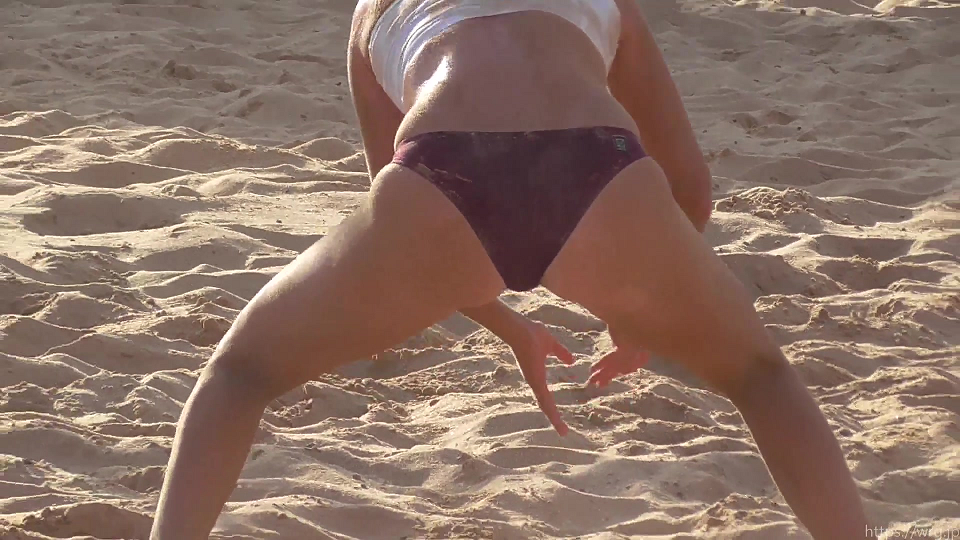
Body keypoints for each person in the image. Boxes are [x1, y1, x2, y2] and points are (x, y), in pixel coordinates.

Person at [149, 0, 870, 538]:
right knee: (761, 379)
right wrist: (635, 309)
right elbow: (691, 188)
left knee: (239, 375)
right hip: (595, 164)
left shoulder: (373, 10)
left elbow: (398, 201)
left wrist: (505, 322)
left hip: (446, 168)